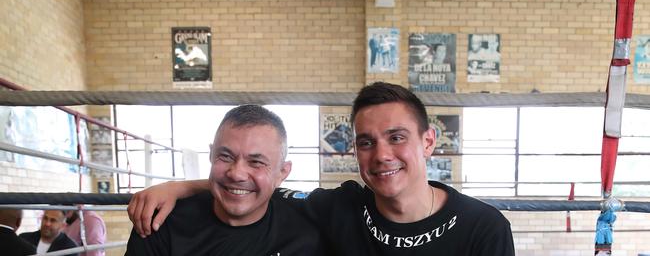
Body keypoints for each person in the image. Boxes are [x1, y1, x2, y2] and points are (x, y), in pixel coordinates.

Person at [129, 82, 514, 255]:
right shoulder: (340, 208)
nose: (381, 154)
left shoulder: (483, 228)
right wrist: (180, 187)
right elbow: (251, 187)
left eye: (396, 137)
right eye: (366, 142)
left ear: (428, 141)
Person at [125, 104, 324, 255]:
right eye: (225, 156)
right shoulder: (162, 223)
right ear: (211, 154)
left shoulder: (307, 231)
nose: (236, 173)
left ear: (283, 172)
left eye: (256, 162)